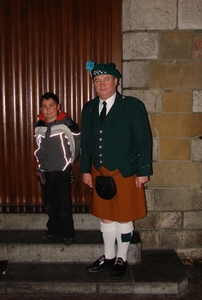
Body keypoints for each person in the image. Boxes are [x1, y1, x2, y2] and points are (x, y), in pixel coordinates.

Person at [80, 61, 153, 279]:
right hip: (99, 171)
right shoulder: (89, 108)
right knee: (105, 216)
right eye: (97, 81)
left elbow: (144, 140)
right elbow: (86, 142)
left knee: (124, 217)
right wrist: (85, 169)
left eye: (106, 80)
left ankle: (122, 257)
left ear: (116, 81)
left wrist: (143, 170)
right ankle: (108, 256)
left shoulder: (132, 106)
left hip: (126, 171)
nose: (101, 85)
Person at [34, 92, 81, 245]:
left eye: (51, 106)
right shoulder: (39, 125)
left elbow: (76, 145)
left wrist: (68, 164)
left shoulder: (68, 124)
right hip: (46, 172)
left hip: (62, 171)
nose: (48, 110)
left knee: (63, 204)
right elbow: (39, 147)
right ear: (41, 108)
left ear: (58, 107)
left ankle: (68, 233)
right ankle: (53, 231)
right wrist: (40, 166)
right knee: (49, 205)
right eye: (44, 107)